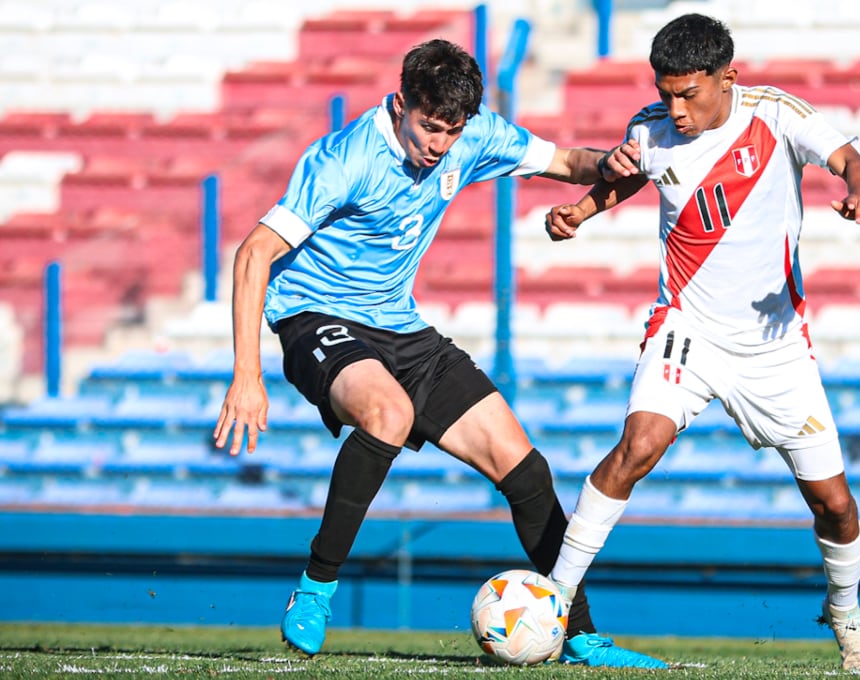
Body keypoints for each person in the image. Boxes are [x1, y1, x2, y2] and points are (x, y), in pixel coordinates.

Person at [211, 39, 666, 669]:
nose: (440, 144)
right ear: (400, 104)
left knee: (525, 469)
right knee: (388, 416)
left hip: (400, 326)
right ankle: (315, 589)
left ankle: (580, 632)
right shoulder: (343, 159)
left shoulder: (475, 133)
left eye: (452, 130)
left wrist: (612, 163)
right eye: (429, 127)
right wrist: (246, 376)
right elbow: (253, 253)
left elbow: (567, 161)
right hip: (314, 317)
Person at [543, 13, 860, 673]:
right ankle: (555, 602)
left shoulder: (776, 116)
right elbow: (630, 172)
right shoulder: (651, 126)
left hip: (773, 343)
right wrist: (580, 213)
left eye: (688, 94)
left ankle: (845, 612)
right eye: (665, 93)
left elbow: (852, 162)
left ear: (728, 76)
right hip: (686, 328)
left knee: (833, 503)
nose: (676, 109)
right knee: (636, 447)